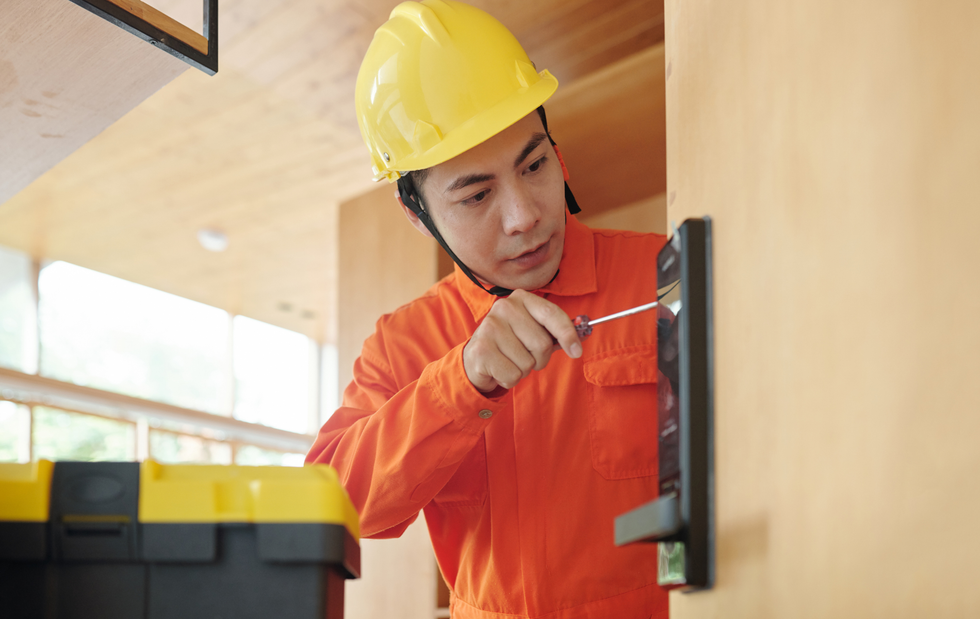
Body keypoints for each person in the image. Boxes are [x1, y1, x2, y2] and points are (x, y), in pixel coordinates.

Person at [306, 1, 668, 617]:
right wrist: (460, 383)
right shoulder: (404, 343)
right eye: (476, 194)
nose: (524, 214)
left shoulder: (661, 274)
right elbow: (330, 507)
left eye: (534, 164)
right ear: (419, 216)